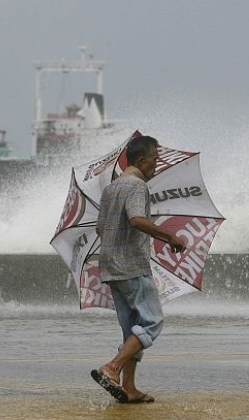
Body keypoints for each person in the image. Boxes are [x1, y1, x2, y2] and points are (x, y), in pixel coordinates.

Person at [91, 135, 186, 404]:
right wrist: (170, 237)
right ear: (141, 161)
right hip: (131, 265)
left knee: (132, 329)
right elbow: (136, 219)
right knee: (152, 322)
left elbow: (101, 228)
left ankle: (129, 388)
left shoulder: (111, 188)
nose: (155, 166)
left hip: (110, 267)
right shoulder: (136, 186)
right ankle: (112, 368)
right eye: (154, 161)